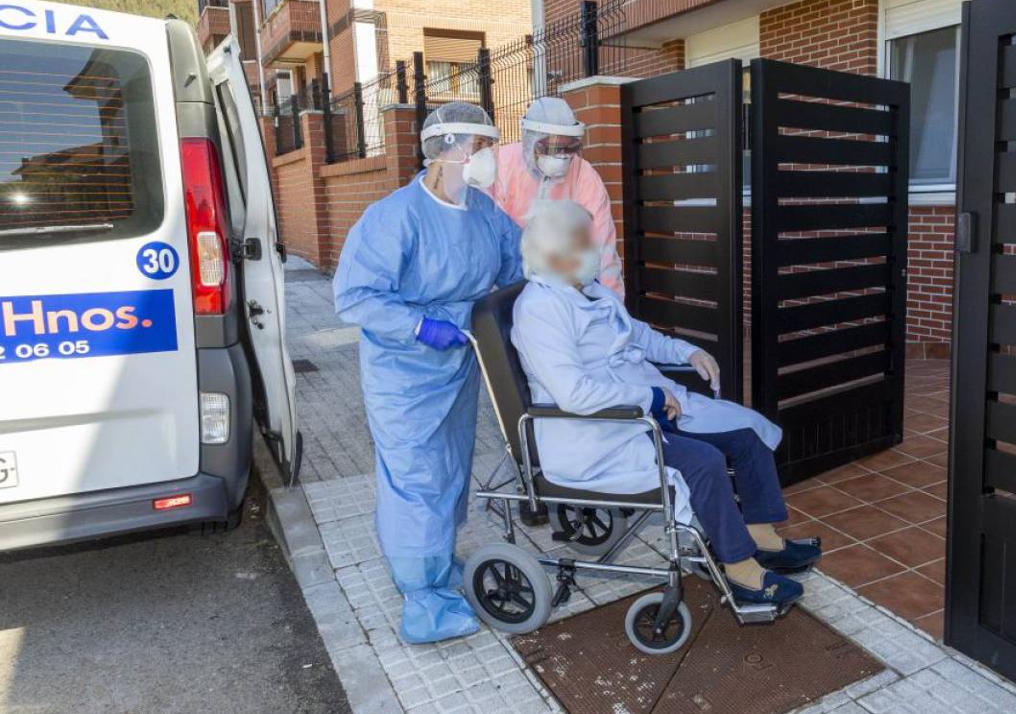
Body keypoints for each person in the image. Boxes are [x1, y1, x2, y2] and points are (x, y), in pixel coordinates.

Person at [509, 200, 821, 606]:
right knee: (703, 462)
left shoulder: (589, 292)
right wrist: (651, 396)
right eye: (586, 244)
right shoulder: (539, 310)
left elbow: (638, 336)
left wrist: (686, 351)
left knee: (746, 435)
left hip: (644, 409)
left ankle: (761, 539)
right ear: (554, 255)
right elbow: (574, 393)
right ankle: (740, 571)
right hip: (599, 431)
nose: (596, 251)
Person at [333, 102, 524, 643]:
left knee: (449, 467)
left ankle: (435, 565)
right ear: (449, 149)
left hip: (461, 362)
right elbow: (354, 296)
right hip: (404, 369)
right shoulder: (393, 217)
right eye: (480, 146)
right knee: (415, 473)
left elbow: (518, 263)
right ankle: (421, 599)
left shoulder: (484, 212)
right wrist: (419, 328)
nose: (488, 157)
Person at [491, 97, 625, 298]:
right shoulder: (502, 165)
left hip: (567, 287)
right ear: (530, 141)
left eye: (567, 147)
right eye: (551, 146)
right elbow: (492, 238)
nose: (560, 155)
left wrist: (612, 304)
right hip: (506, 289)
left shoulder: (583, 174)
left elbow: (601, 244)